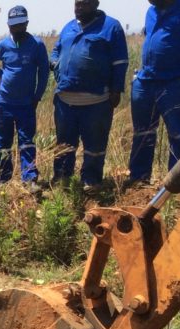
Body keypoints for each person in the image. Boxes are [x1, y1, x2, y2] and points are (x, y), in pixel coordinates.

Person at [127, 0, 180, 185]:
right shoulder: (151, 11)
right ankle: (139, 178)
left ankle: (176, 180)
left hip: (173, 82)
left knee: (177, 133)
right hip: (146, 81)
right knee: (143, 132)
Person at [50, 0, 128, 190]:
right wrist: (56, 64)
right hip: (65, 101)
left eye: (84, 4)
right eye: (77, 4)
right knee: (64, 144)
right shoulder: (69, 27)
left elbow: (120, 62)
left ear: (96, 4)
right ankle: (62, 180)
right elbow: (55, 51)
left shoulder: (111, 27)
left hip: (97, 101)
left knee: (95, 145)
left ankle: (91, 181)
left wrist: (116, 90)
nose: (79, 8)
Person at [0, 6, 49, 190]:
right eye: (13, 26)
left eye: (20, 25)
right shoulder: (3, 45)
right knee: (3, 143)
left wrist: (37, 96)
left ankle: (29, 178)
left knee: (27, 141)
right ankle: (3, 178)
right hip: (4, 103)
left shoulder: (37, 45)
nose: (16, 29)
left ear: (26, 23)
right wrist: (1, 74)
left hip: (26, 104)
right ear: (8, 26)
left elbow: (43, 72)